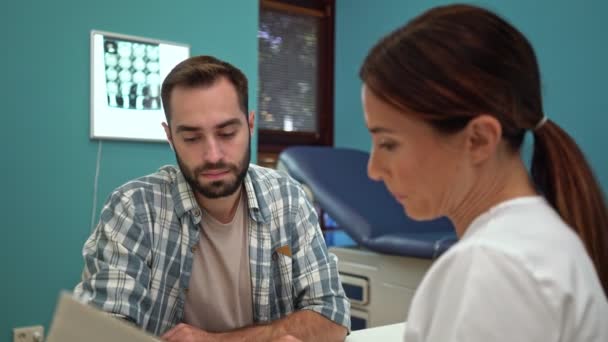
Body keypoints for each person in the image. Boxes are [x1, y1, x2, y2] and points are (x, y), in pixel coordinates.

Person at [357, 4, 608, 341]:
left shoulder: (493, 266)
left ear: (478, 139)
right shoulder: (535, 243)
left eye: (388, 143)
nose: (373, 170)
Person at [74, 55, 350, 342]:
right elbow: (101, 330)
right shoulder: (134, 209)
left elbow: (332, 317)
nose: (213, 155)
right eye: (192, 138)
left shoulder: (288, 199)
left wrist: (215, 341)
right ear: (170, 137)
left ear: (250, 125)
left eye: (228, 133)